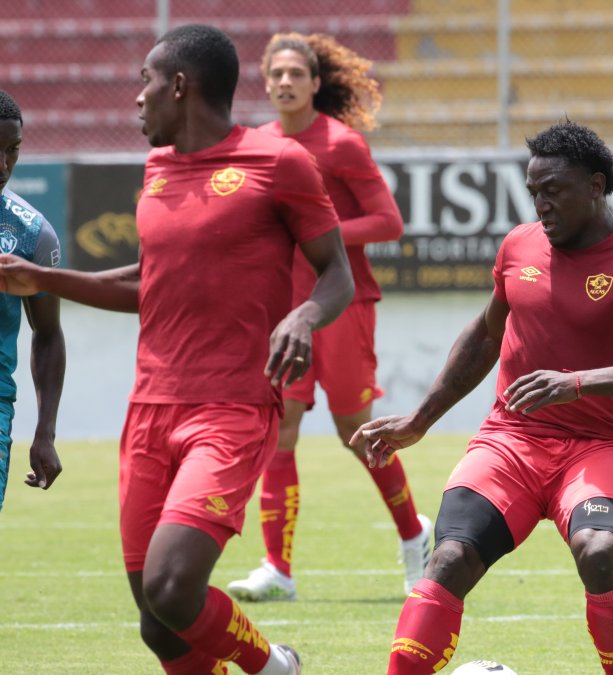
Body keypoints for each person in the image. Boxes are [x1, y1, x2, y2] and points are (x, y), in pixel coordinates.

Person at [0, 25, 354, 674]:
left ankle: (276, 666)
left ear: (181, 86)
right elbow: (149, 283)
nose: (137, 99)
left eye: (146, 83)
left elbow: (337, 272)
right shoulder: (159, 169)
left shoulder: (279, 164)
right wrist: (45, 279)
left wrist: (305, 315)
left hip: (232, 408)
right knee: (160, 626)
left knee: (172, 587)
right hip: (148, 411)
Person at [350, 120, 613, 675]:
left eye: (554, 189)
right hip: (511, 439)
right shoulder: (518, 245)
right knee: (450, 557)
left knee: (601, 552)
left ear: (598, 186)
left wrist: (577, 382)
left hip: (596, 444)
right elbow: (487, 334)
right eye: (534, 191)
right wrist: (420, 420)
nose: (541, 204)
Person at [226, 32, 432, 603]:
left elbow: (388, 222)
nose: (286, 81)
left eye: (297, 73)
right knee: (280, 428)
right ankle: (277, 568)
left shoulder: (342, 145)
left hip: (344, 304)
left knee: (354, 430)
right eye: (278, 73)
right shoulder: (254, 143)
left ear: (316, 83)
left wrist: (321, 234)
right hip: (283, 311)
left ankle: (416, 536)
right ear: (265, 82)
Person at [0, 90, 65, 512]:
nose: (3, 166)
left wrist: (45, 431)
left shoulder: (31, 235)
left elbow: (48, 333)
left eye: (13, 150)